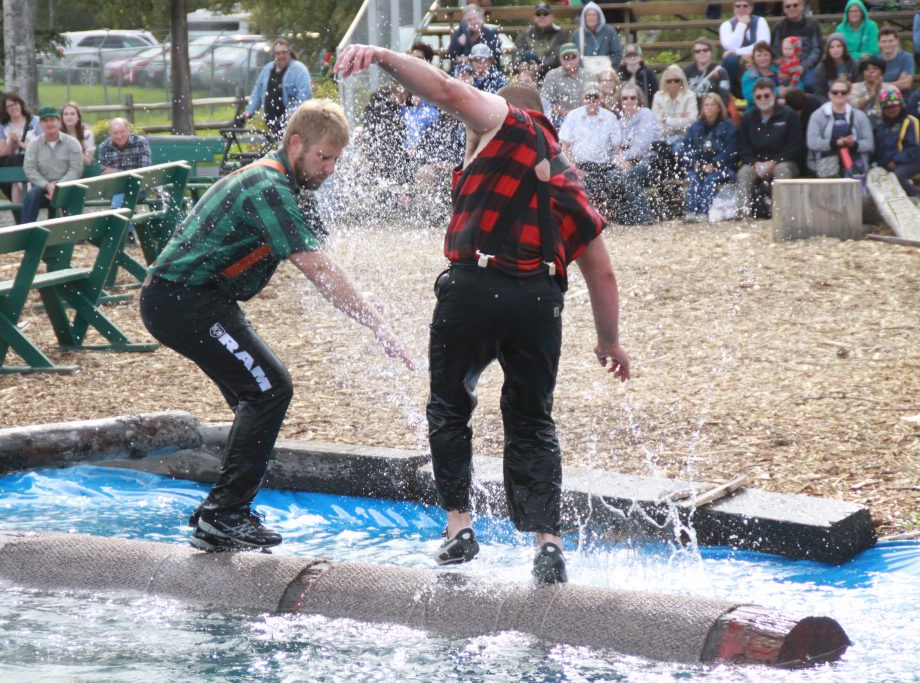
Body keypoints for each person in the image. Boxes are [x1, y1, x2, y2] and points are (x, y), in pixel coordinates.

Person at [335, 44, 629, 586]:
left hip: (474, 289)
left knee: (449, 406)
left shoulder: (504, 120)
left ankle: (459, 527)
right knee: (531, 419)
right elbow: (601, 274)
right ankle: (548, 542)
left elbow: (446, 90)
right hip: (539, 301)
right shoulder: (568, 180)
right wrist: (610, 342)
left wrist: (381, 54)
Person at [140, 98, 413, 553]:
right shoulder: (267, 184)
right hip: (181, 301)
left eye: (336, 160)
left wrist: (361, 298)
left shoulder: (280, 183)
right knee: (268, 390)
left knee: (257, 396)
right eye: (323, 157)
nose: (329, 169)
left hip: (198, 300)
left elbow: (320, 259)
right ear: (296, 143)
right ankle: (223, 516)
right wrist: (377, 325)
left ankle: (227, 510)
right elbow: (317, 269)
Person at [736, 79, 803, 218]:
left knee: (782, 170)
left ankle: (780, 214)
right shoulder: (748, 117)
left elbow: (795, 146)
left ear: (774, 95)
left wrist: (775, 162)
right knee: (744, 172)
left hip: (784, 161)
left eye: (766, 95)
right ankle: (744, 212)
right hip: (757, 162)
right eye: (759, 96)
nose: (763, 99)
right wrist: (754, 163)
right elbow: (743, 146)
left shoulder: (788, 114)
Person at [560, 84, 624, 217]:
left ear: (601, 99)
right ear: (583, 99)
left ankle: (613, 217)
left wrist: (620, 160)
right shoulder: (573, 116)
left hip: (604, 166)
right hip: (580, 165)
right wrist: (573, 167)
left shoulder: (609, 117)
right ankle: (588, 219)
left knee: (616, 179)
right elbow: (565, 145)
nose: (592, 100)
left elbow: (618, 147)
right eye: (588, 97)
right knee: (583, 182)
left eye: (595, 97)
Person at [239, 39, 313, 145]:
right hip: (272, 124)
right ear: (274, 54)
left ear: (289, 52)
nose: (281, 56)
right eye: (278, 53)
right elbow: (257, 92)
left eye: (284, 52)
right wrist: (249, 111)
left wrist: (292, 113)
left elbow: (305, 95)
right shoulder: (267, 69)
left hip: (293, 124)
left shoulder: (299, 70)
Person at [21, 106, 83, 224]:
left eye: (52, 120)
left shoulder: (72, 143)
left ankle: (73, 237)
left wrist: (59, 186)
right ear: (40, 124)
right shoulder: (34, 145)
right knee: (32, 195)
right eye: (45, 121)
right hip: (43, 189)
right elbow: (29, 170)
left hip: (66, 186)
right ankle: (25, 233)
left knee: (74, 195)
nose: (49, 124)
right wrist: (47, 186)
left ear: (59, 122)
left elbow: (76, 169)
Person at [682, 92, 738, 221]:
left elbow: (731, 150)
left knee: (710, 179)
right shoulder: (695, 127)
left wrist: (715, 164)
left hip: (722, 168)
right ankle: (691, 211)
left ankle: (704, 212)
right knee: (693, 178)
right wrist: (694, 162)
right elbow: (687, 148)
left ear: (719, 108)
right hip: (700, 165)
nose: (709, 107)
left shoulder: (728, 126)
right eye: (706, 104)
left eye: (713, 104)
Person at [806, 76, 874, 178]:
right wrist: (835, 143)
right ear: (829, 94)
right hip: (827, 159)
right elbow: (812, 143)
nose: (839, 94)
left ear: (848, 95)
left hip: (854, 158)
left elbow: (869, 144)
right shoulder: (818, 115)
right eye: (835, 92)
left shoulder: (860, 116)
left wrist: (854, 144)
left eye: (843, 92)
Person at [614, 83, 659, 224]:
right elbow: (615, 147)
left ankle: (644, 218)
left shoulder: (646, 114)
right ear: (620, 102)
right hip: (629, 163)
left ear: (639, 99)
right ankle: (624, 217)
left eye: (633, 98)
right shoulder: (620, 122)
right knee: (612, 176)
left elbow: (641, 147)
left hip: (652, 162)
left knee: (629, 176)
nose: (629, 101)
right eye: (625, 98)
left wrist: (622, 158)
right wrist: (620, 161)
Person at [0, 92, 40, 213]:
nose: (13, 108)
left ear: (21, 104)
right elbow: (2, 153)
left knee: (16, 182)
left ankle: (21, 221)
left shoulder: (35, 121)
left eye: (15, 104)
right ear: (5, 110)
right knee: (14, 160)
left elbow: (41, 148)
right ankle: (29, 197)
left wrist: (19, 143)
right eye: (9, 106)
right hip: (10, 164)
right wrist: (11, 142)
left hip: (33, 164)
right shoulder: (1, 126)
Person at [872, 87, 920, 197]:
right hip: (887, 162)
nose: (891, 109)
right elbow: (879, 148)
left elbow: (914, 148)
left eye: (894, 106)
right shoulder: (881, 126)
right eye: (887, 107)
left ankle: (915, 196)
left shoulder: (910, 122)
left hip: (912, 160)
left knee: (898, 175)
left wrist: (895, 160)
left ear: (900, 105)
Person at [719, 0, 771, 100]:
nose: (741, 9)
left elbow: (763, 45)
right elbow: (730, 46)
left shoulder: (760, 21)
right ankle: (727, 96)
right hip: (736, 66)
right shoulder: (726, 25)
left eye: (745, 6)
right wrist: (741, 25)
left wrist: (738, 52)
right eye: (738, 6)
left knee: (762, 56)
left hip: (757, 58)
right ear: (733, 8)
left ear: (751, 8)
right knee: (730, 60)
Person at [96, 118, 152, 208]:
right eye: (115, 133)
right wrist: (129, 173)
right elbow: (104, 172)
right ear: (110, 133)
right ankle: (121, 220)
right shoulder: (104, 147)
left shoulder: (140, 143)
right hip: (114, 189)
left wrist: (117, 172)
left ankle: (116, 219)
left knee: (122, 194)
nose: (119, 136)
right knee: (119, 192)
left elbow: (143, 171)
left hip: (138, 187)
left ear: (128, 130)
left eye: (122, 132)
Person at [770, 0, 823, 92]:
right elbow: (775, 50)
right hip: (785, 66)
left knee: (810, 84)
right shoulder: (778, 27)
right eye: (788, 6)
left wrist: (803, 67)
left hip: (807, 66)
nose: (791, 8)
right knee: (775, 83)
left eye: (795, 5)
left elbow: (817, 50)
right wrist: (786, 64)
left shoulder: (813, 25)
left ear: (802, 6)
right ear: (784, 9)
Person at [541, 43, 594, 126]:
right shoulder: (552, 75)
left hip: (586, 117)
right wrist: (567, 113)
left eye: (573, 56)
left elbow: (595, 99)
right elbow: (546, 103)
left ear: (579, 57)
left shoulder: (589, 75)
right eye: (565, 57)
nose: (570, 59)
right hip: (560, 119)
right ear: (560, 59)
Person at [514, 2, 569, 77]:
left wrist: (541, 67)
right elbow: (518, 50)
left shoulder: (560, 33)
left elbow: (556, 56)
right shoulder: (526, 33)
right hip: (529, 72)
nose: (542, 16)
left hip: (552, 72)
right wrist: (519, 63)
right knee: (528, 54)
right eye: (538, 14)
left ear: (552, 16)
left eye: (545, 14)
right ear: (534, 18)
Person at [448, 4, 502, 74]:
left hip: (488, 73)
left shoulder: (491, 34)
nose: (473, 22)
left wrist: (468, 59)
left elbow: (493, 57)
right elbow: (453, 56)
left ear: (481, 18)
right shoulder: (459, 34)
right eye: (469, 20)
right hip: (463, 73)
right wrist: (460, 42)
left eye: (475, 18)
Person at [653, 64, 697, 147]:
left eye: (676, 80)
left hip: (684, 138)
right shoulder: (658, 96)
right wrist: (682, 121)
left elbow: (691, 122)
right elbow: (657, 125)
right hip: (663, 139)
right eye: (669, 81)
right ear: (665, 82)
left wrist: (667, 120)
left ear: (681, 81)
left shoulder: (690, 96)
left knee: (678, 148)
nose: (673, 83)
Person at [573, 2, 623, 67]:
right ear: (584, 18)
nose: (591, 17)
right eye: (588, 15)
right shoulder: (577, 34)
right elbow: (573, 55)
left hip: (606, 70)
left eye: (594, 15)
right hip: (584, 71)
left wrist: (609, 67)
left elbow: (617, 53)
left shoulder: (609, 31)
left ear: (599, 17)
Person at [684, 38, 731, 104]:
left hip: (713, 109)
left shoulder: (721, 71)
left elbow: (724, 96)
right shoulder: (687, 71)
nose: (702, 53)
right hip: (691, 109)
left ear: (711, 52)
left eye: (705, 50)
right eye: (697, 51)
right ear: (694, 54)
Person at [813, 34, 860, 100]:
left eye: (839, 46)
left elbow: (857, 86)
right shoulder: (821, 68)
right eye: (832, 47)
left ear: (844, 48)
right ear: (828, 50)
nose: (835, 50)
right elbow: (819, 93)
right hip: (829, 104)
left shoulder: (853, 64)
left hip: (850, 101)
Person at [616, 44, 659, 108]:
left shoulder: (648, 73)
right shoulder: (619, 73)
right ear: (624, 59)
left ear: (640, 57)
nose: (632, 57)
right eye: (628, 56)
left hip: (645, 109)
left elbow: (655, 93)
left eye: (635, 55)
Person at [741, 41, 779, 111]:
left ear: (771, 56)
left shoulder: (779, 69)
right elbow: (750, 97)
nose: (763, 58)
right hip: (757, 110)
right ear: (754, 58)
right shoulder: (749, 75)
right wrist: (777, 92)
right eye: (759, 55)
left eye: (765, 55)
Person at [876, 28, 914, 97]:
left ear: (897, 41)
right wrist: (899, 82)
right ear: (879, 43)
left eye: (890, 41)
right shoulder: (875, 60)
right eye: (884, 41)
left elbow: (906, 84)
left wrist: (882, 84)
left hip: (903, 101)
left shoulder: (906, 57)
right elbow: (874, 86)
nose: (887, 44)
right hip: (881, 102)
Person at [851, 55, 888, 122]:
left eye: (875, 68)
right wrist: (871, 95)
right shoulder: (854, 88)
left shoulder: (891, 89)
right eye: (867, 69)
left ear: (881, 72)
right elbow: (854, 107)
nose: (871, 72)